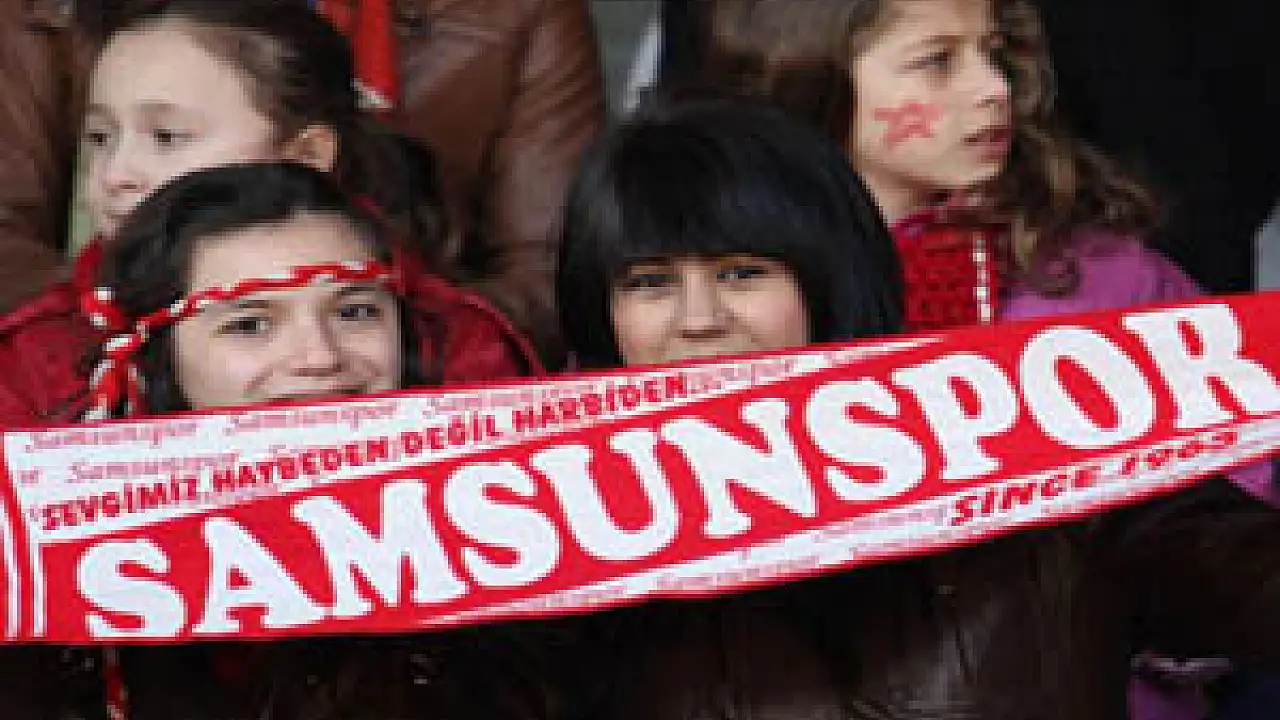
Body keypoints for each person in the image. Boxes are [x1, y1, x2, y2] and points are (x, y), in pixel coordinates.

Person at [555, 97, 1280, 720]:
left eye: (742, 274)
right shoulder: (548, 519)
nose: (698, 320)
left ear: (832, 281)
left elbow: (1238, 574)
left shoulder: (1028, 445)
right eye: (649, 283)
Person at [34, 161, 554, 720]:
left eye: (355, 312)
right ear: (154, 363)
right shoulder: (55, 570)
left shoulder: (515, 526)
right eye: (250, 325)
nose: (321, 358)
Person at [0, 0, 542, 429]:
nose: (116, 173)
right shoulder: (34, 357)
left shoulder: (455, 344)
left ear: (305, 155)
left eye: (167, 136)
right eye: (99, 138)